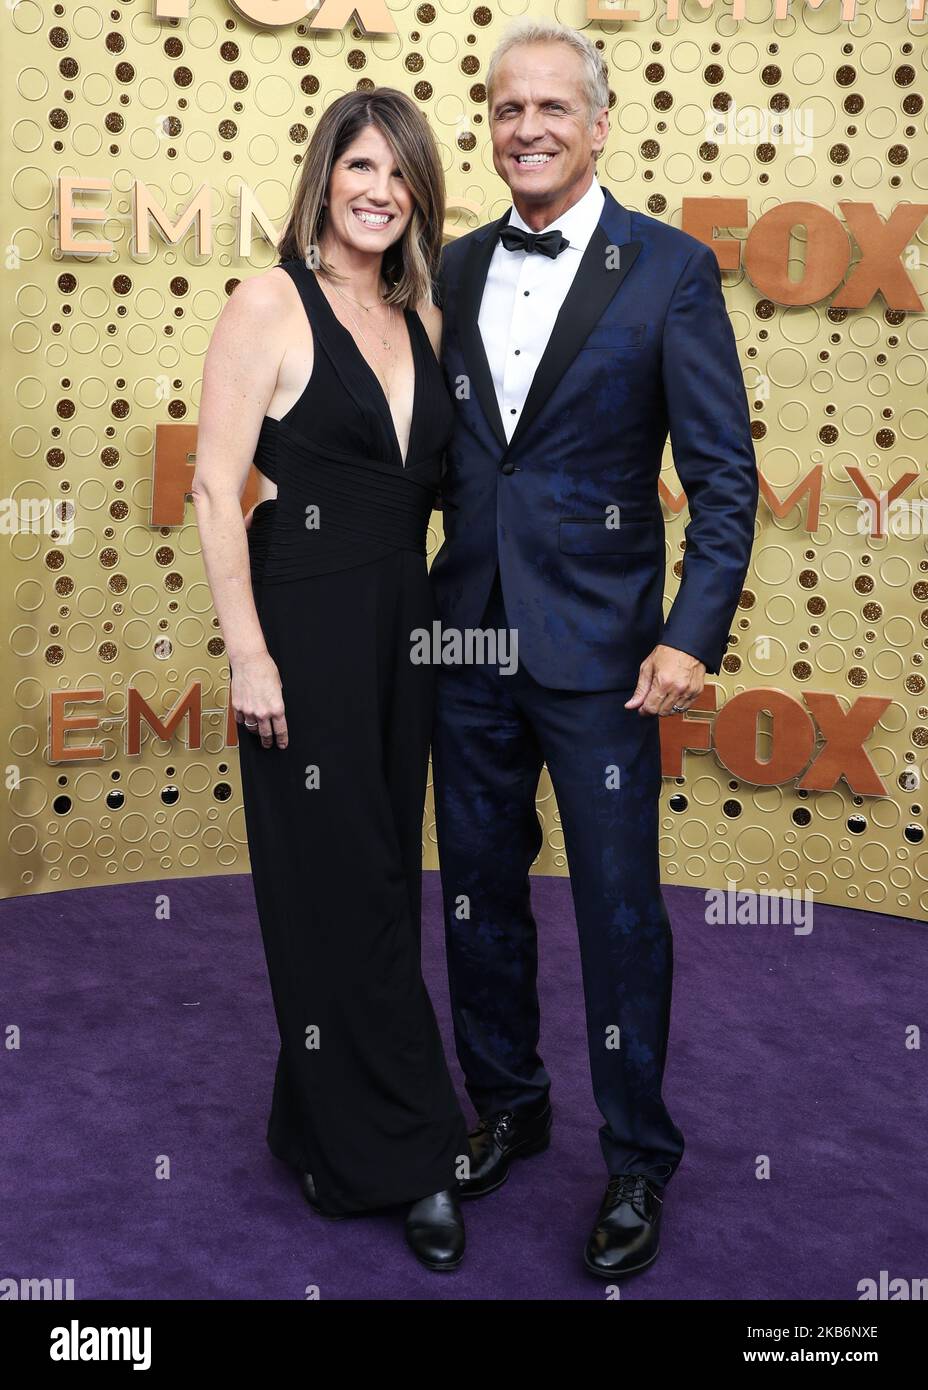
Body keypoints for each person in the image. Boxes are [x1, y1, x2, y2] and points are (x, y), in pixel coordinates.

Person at [431, 18, 758, 1278]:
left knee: (620, 915)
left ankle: (636, 1157)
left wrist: (690, 635)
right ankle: (506, 1105)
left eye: (551, 108)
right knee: (473, 895)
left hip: (609, 659)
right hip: (462, 644)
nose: (525, 128)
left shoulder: (669, 268)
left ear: (600, 122)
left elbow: (723, 480)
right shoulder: (450, 267)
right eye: (506, 108)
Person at [192, 88, 470, 1272]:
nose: (379, 190)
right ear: (324, 175)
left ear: (418, 194)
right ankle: (408, 1155)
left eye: (400, 174)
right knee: (342, 880)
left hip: (402, 629)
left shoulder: (425, 318)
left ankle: (311, 1114)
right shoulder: (269, 301)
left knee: (373, 877)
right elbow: (215, 487)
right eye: (361, 165)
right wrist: (248, 651)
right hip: (302, 623)